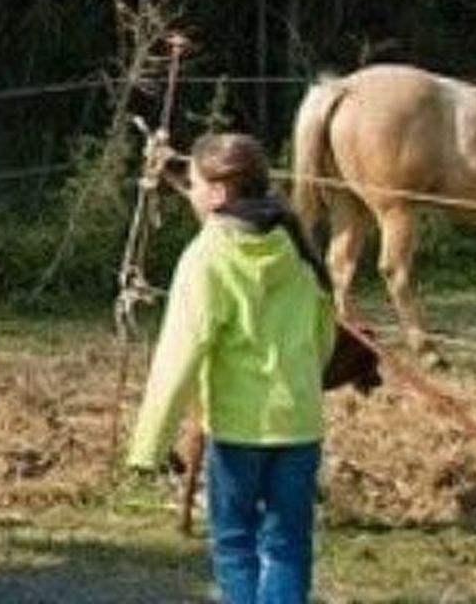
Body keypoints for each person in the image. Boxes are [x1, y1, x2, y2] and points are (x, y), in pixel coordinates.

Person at [125, 131, 335, 604]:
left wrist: (148, 446)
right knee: (287, 546)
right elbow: (324, 333)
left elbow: (178, 353)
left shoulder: (207, 257)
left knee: (235, 541)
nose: (192, 193)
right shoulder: (297, 246)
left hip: (240, 429)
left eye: (195, 184)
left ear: (219, 193)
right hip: (300, 423)